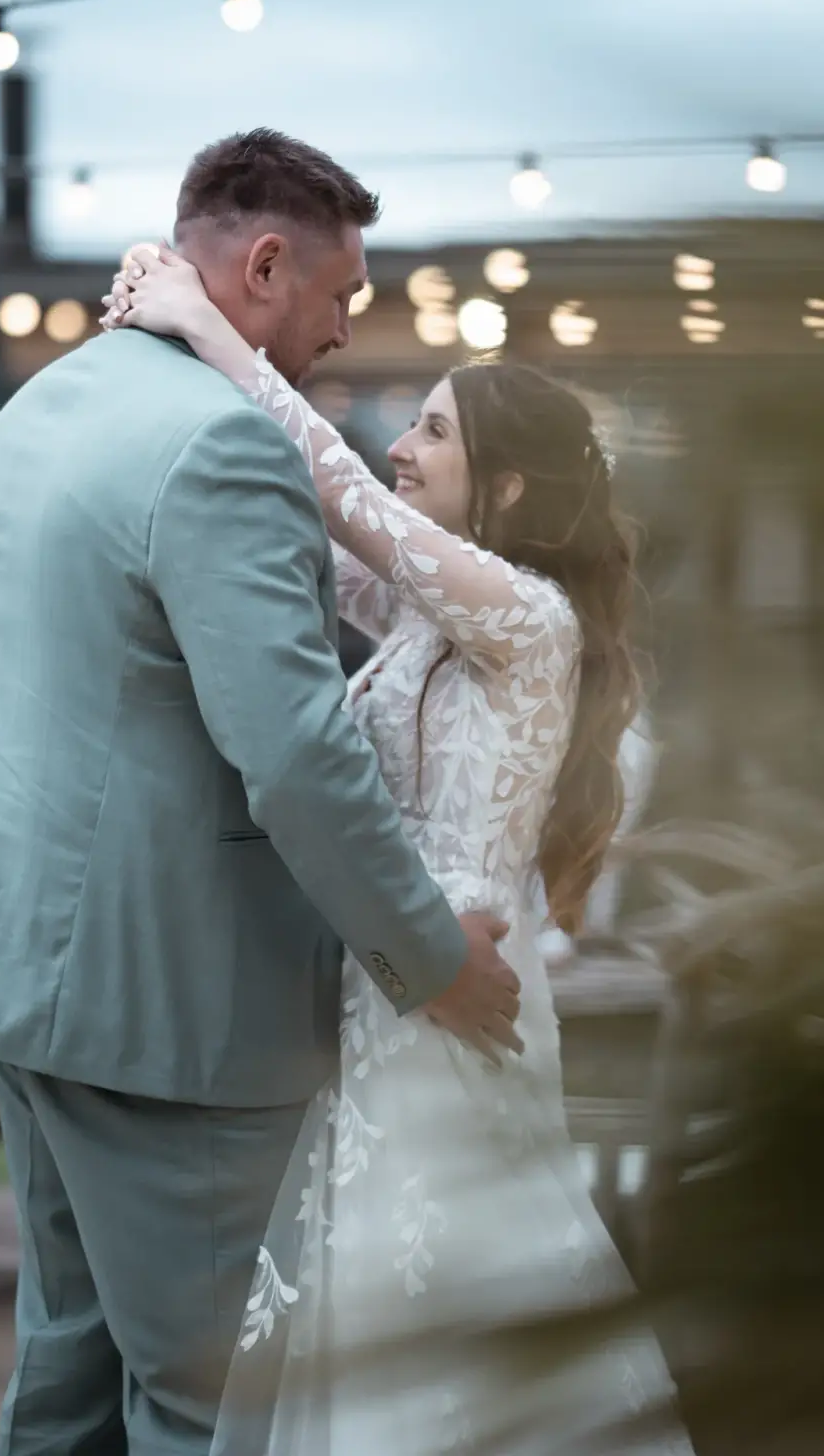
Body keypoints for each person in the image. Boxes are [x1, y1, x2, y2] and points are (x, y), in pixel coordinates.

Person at [0, 130, 522, 1456]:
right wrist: (433, 960)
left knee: (68, 1380)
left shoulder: (41, 410)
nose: (345, 331)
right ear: (264, 266)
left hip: (13, 980)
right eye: (342, 296)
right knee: (209, 1406)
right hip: (166, 1013)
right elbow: (299, 753)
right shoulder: (224, 453)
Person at [102, 227, 695, 1453]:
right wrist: (172, 344)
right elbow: (295, 531)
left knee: (439, 1325)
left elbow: (342, 495)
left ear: (511, 490)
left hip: (448, 1005)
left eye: (433, 430)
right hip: (392, 991)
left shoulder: (530, 619)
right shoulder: (434, 621)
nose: (401, 446)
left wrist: (205, 326)